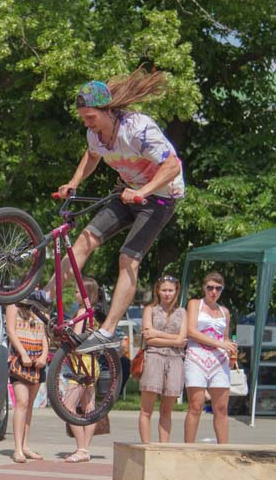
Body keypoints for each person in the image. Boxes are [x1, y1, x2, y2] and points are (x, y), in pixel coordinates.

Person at [49, 69, 185, 354]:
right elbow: (92, 154)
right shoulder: (95, 134)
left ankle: (107, 330)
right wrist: (74, 182)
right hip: (129, 192)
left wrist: (143, 192)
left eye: (91, 118)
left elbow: (173, 165)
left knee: (128, 258)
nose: (87, 124)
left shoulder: (138, 129)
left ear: (108, 111)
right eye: (84, 118)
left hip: (159, 198)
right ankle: (46, 294)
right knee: (86, 238)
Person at [183, 272, 237, 444]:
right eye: (210, 287)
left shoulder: (224, 311)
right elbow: (191, 331)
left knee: (221, 408)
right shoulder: (194, 304)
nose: (214, 291)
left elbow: (225, 337)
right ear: (204, 288)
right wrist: (220, 343)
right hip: (196, 357)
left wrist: (231, 350)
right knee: (196, 405)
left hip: (219, 360)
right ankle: (188, 448)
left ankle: (224, 449)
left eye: (218, 288)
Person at [139, 275, 187, 443]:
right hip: (154, 357)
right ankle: (146, 446)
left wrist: (158, 333)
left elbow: (182, 340)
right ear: (158, 291)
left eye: (170, 290)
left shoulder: (182, 312)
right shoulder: (150, 310)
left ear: (176, 291)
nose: (167, 294)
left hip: (175, 360)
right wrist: (173, 339)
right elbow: (149, 339)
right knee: (147, 409)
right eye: (164, 290)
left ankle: (164, 447)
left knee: (167, 410)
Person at [5, 300, 49, 463]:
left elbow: (45, 335)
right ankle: (17, 448)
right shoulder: (13, 307)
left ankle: (25, 445)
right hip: (19, 359)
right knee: (22, 402)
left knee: (30, 404)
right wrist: (23, 353)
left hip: (37, 360)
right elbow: (11, 330)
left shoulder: (40, 310)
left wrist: (44, 355)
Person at [64, 278, 101, 463]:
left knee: (68, 406)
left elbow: (76, 338)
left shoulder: (82, 312)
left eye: (78, 291)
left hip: (81, 363)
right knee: (89, 406)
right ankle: (86, 448)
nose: (75, 294)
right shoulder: (94, 314)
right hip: (93, 362)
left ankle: (80, 447)